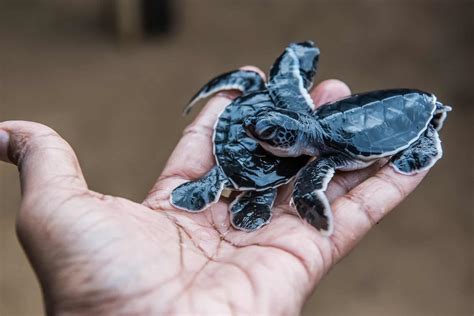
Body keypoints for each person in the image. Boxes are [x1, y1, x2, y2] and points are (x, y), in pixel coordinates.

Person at [0, 67, 427, 315]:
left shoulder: (318, 147)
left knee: (308, 184)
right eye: (262, 131)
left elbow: (310, 177)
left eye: (273, 134)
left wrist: (309, 201)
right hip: (292, 143)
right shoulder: (302, 124)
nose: (261, 135)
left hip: (361, 129)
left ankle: (429, 130)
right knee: (298, 181)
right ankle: (243, 194)